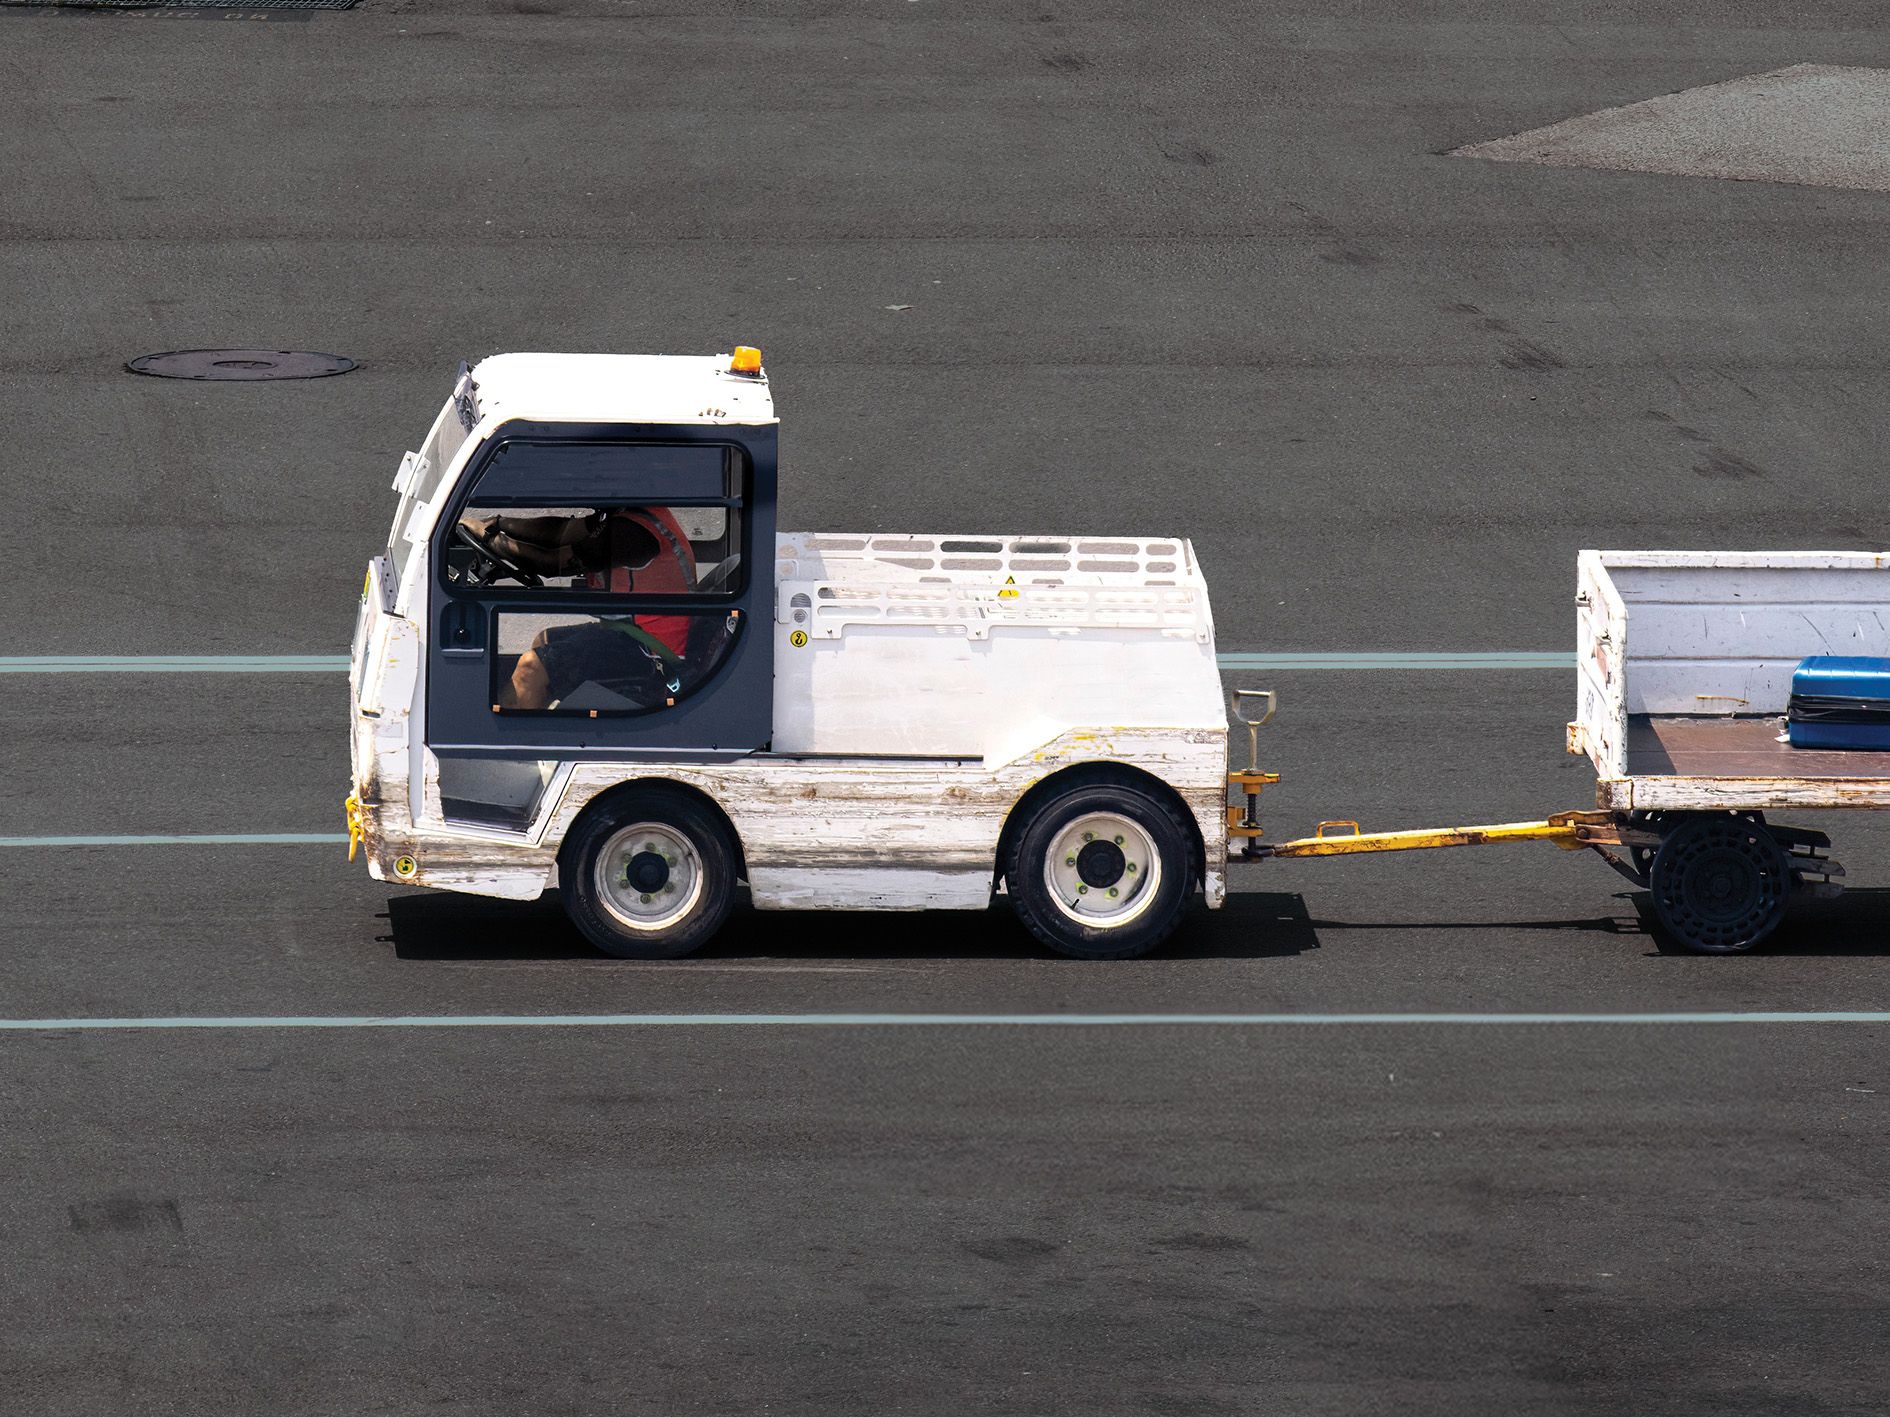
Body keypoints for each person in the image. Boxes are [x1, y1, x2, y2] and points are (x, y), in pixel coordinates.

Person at [462, 506, 698, 710]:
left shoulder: (632, 533)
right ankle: (541, 734)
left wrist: (491, 540)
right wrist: (501, 524)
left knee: (531, 667)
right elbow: (560, 532)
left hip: (654, 653)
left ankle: (511, 748)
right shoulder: (625, 517)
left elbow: (551, 563)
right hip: (633, 634)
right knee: (544, 640)